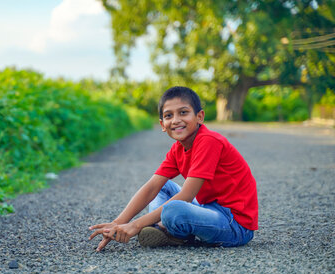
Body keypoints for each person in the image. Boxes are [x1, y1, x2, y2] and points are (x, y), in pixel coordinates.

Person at [89, 86, 258, 252]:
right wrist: (118, 223)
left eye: (183, 112)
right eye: (169, 116)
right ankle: (165, 228)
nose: (176, 120)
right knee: (164, 187)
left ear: (200, 117)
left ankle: (165, 228)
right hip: (208, 209)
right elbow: (152, 187)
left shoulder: (209, 141)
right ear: (163, 124)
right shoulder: (177, 149)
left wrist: (134, 225)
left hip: (235, 224)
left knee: (174, 209)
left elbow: (186, 196)